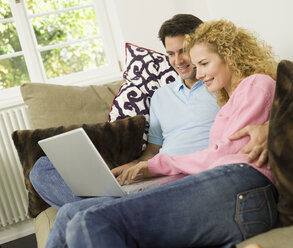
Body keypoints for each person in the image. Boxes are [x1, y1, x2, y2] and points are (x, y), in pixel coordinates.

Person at [51, 19, 278, 248]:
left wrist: (155, 167)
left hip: (240, 184)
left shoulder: (256, 84)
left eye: (204, 63)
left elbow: (223, 152)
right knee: (70, 214)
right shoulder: (227, 99)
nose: (199, 74)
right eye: (197, 65)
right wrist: (139, 166)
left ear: (229, 55)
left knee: (89, 221)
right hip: (222, 184)